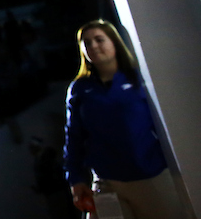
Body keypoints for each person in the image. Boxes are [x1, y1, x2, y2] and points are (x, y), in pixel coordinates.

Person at [63, 19, 186, 219]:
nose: (93, 46)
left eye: (99, 40)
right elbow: (73, 138)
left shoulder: (139, 79)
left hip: (151, 177)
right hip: (107, 181)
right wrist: (75, 179)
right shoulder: (80, 89)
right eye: (86, 43)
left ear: (114, 43)